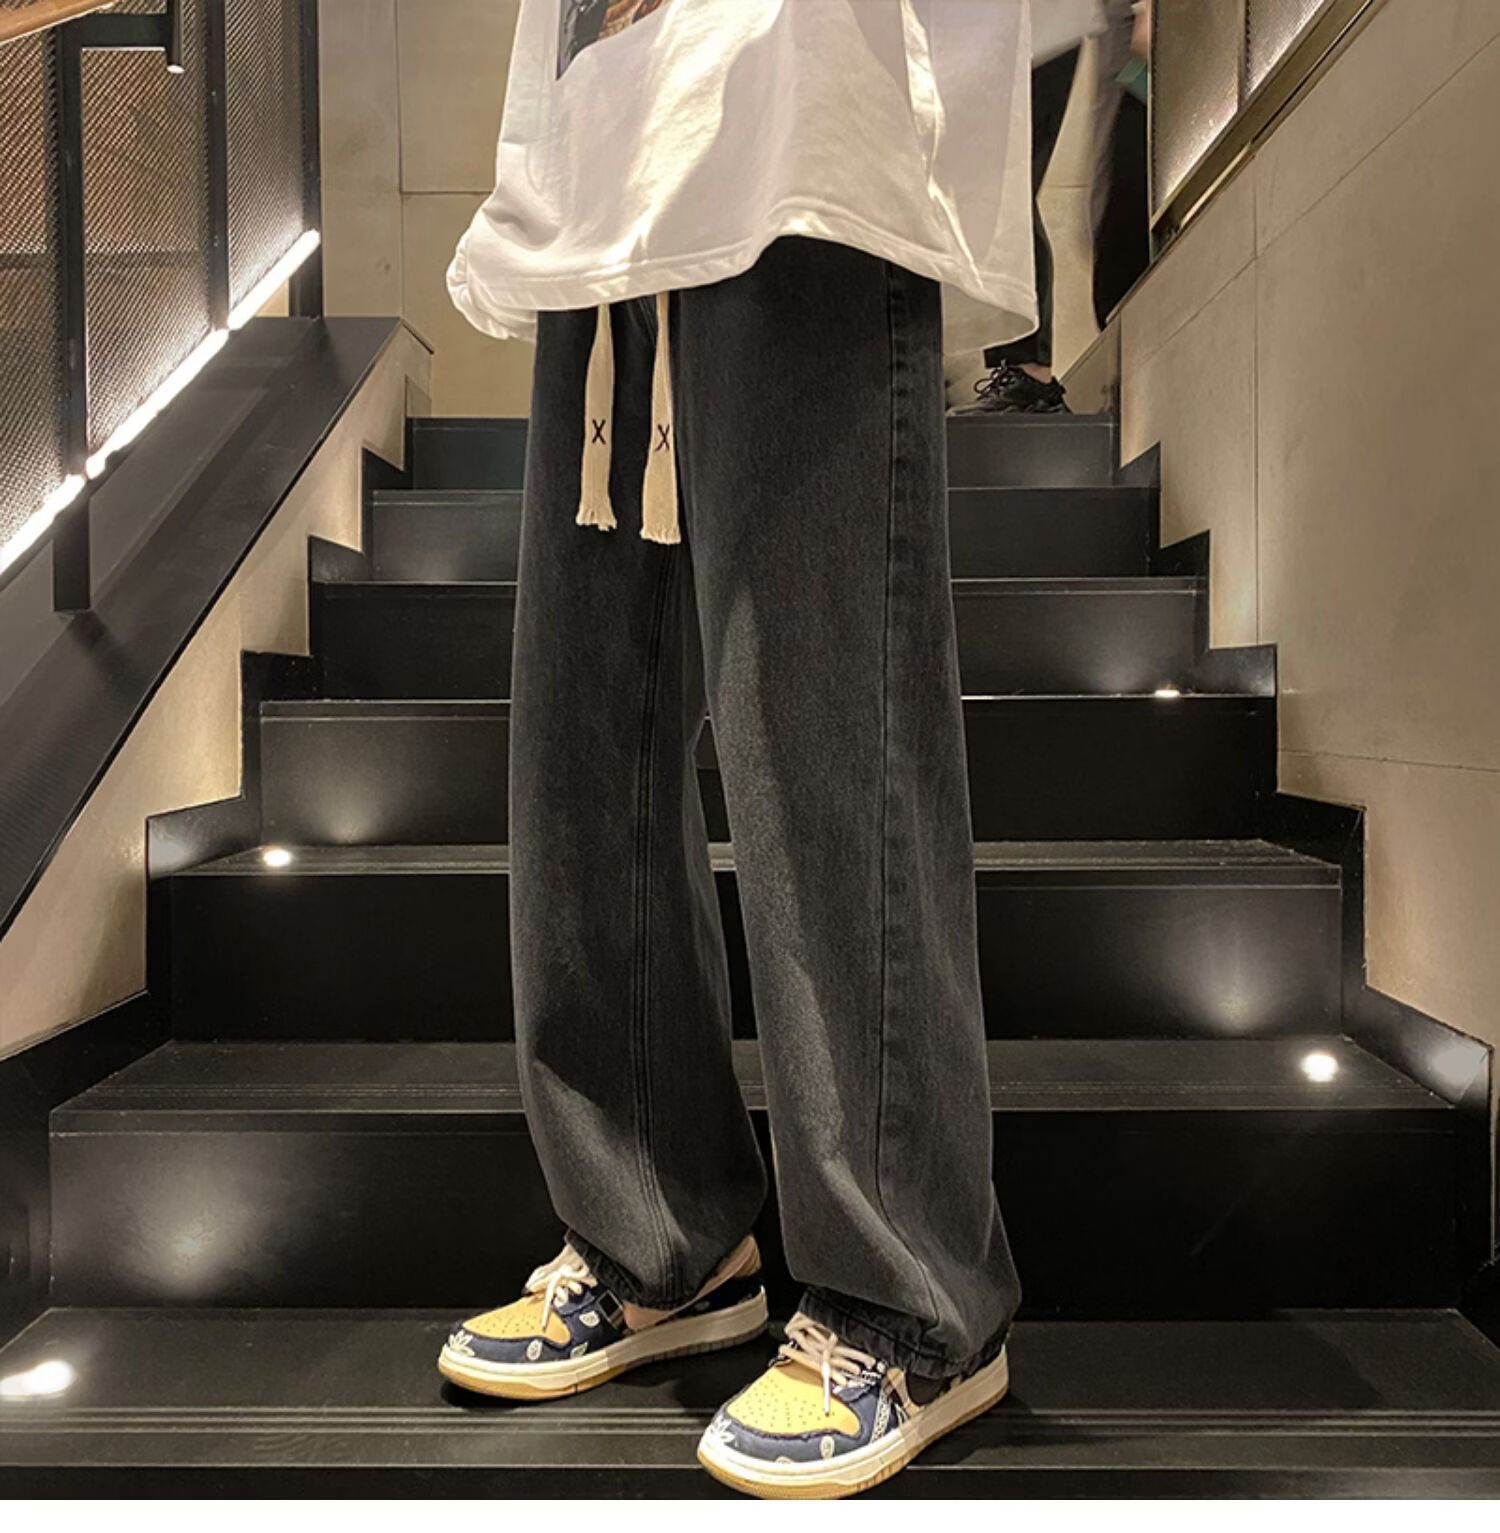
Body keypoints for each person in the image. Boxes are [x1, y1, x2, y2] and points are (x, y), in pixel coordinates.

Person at [439, 0, 1031, 1499]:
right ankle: (657, 1235)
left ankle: (910, 1294)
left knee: (820, 716)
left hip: (800, 101)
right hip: (609, 146)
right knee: (583, 741)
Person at [954, 0, 1106, 416]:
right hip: (1014, 25)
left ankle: (1032, 375)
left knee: (1008, 189)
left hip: (1033, 24)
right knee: (1000, 190)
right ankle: (1026, 371)